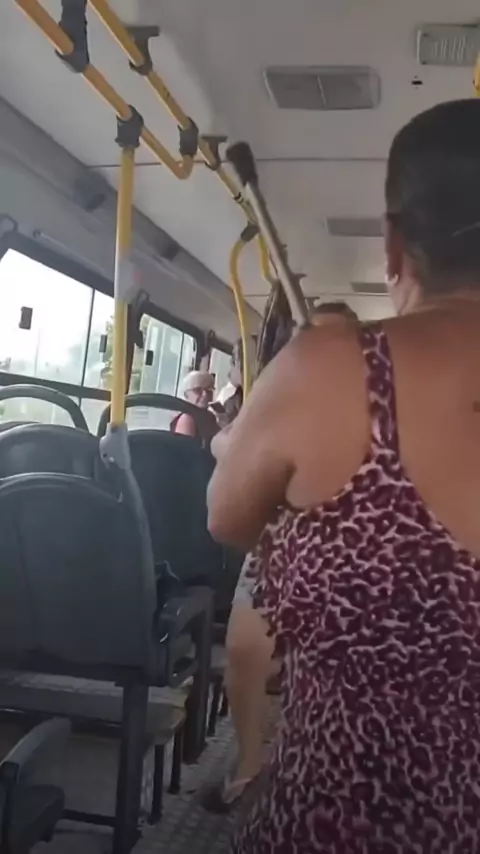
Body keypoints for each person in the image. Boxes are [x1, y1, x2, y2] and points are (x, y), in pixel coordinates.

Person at [207, 99, 480, 853]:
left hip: (333, 819)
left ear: (394, 246)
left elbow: (226, 518)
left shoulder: (328, 369)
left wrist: (237, 445)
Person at [205, 303, 357, 813]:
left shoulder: (371, 401)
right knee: (243, 653)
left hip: (350, 551)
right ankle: (250, 760)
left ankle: (322, 767)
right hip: (280, 541)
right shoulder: (282, 394)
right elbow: (231, 452)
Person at [171, 370, 217, 440]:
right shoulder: (186, 419)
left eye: (209, 390)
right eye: (198, 390)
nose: (205, 394)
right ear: (186, 394)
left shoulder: (210, 416)